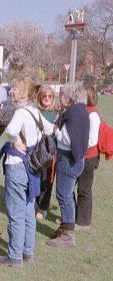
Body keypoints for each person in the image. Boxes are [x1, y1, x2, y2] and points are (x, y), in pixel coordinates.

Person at [0, 76, 53, 267]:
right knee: (28, 210)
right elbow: (51, 128)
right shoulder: (35, 111)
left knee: (16, 212)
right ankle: (28, 252)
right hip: (32, 167)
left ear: (24, 93)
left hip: (17, 166)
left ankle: (15, 256)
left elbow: (10, 129)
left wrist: (15, 139)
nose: (11, 92)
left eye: (14, 90)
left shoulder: (20, 112)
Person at [47, 83, 89, 247]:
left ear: (69, 97)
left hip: (68, 159)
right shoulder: (80, 111)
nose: (60, 97)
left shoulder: (72, 113)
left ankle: (68, 235)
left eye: (62, 94)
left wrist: (55, 129)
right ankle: (66, 226)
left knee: (64, 195)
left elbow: (66, 139)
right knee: (67, 194)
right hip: (78, 159)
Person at [74, 85, 100, 231]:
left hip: (89, 157)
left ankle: (84, 222)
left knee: (84, 189)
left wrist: (76, 145)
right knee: (80, 188)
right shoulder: (85, 111)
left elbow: (92, 140)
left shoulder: (93, 115)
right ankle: (78, 217)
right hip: (82, 154)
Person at [35, 85, 57, 220]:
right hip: (36, 151)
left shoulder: (56, 113)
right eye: (44, 96)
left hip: (50, 152)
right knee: (36, 179)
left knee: (47, 180)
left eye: (50, 96)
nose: (47, 98)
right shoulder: (35, 111)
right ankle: (36, 204)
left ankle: (42, 207)